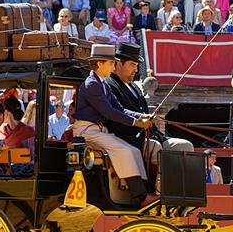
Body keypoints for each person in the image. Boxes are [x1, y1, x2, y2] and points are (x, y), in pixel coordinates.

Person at [72, 44, 155, 205]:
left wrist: (142, 116)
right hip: (87, 131)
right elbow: (108, 112)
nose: (113, 66)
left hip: (98, 130)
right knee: (123, 150)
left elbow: (120, 108)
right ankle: (140, 197)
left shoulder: (102, 83)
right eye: (110, 63)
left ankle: (145, 193)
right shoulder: (91, 84)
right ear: (99, 64)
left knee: (133, 151)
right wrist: (136, 122)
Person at [106, 42, 193, 183]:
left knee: (185, 146)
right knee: (156, 147)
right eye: (132, 65)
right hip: (130, 138)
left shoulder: (134, 87)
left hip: (152, 136)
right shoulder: (110, 85)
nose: (136, 69)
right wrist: (141, 126)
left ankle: (181, 191)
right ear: (119, 64)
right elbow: (117, 115)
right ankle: (159, 190)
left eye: (136, 65)